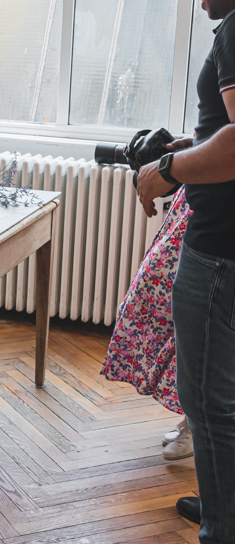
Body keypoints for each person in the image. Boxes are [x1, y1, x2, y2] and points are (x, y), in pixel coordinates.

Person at [136, 0, 235, 544]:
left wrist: (166, 175)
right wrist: (186, 149)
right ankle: (229, 512)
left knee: (209, 403)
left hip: (222, 251)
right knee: (228, 400)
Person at [101, 186, 194, 461]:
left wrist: (167, 167)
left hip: (210, 219)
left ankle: (200, 426)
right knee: (174, 318)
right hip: (192, 210)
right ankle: (196, 421)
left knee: (195, 328)